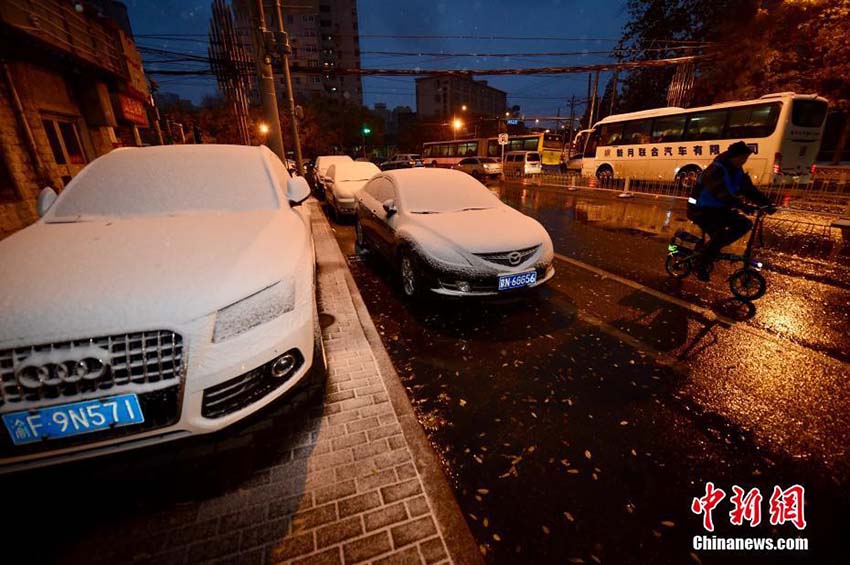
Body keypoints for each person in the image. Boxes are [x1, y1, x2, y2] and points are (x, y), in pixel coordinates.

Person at [686, 141, 776, 281]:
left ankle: (710, 250)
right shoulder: (715, 170)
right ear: (732, 157)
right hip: (700, 210)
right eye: (741, 158)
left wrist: (766, 204)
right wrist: (742, 206)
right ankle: (701, 264)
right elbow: (720, 193)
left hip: (719, 210)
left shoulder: (737, 171)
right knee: (720, 235)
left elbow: (749, 190)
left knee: (744, 224)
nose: (743, 161)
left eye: (745, 159)